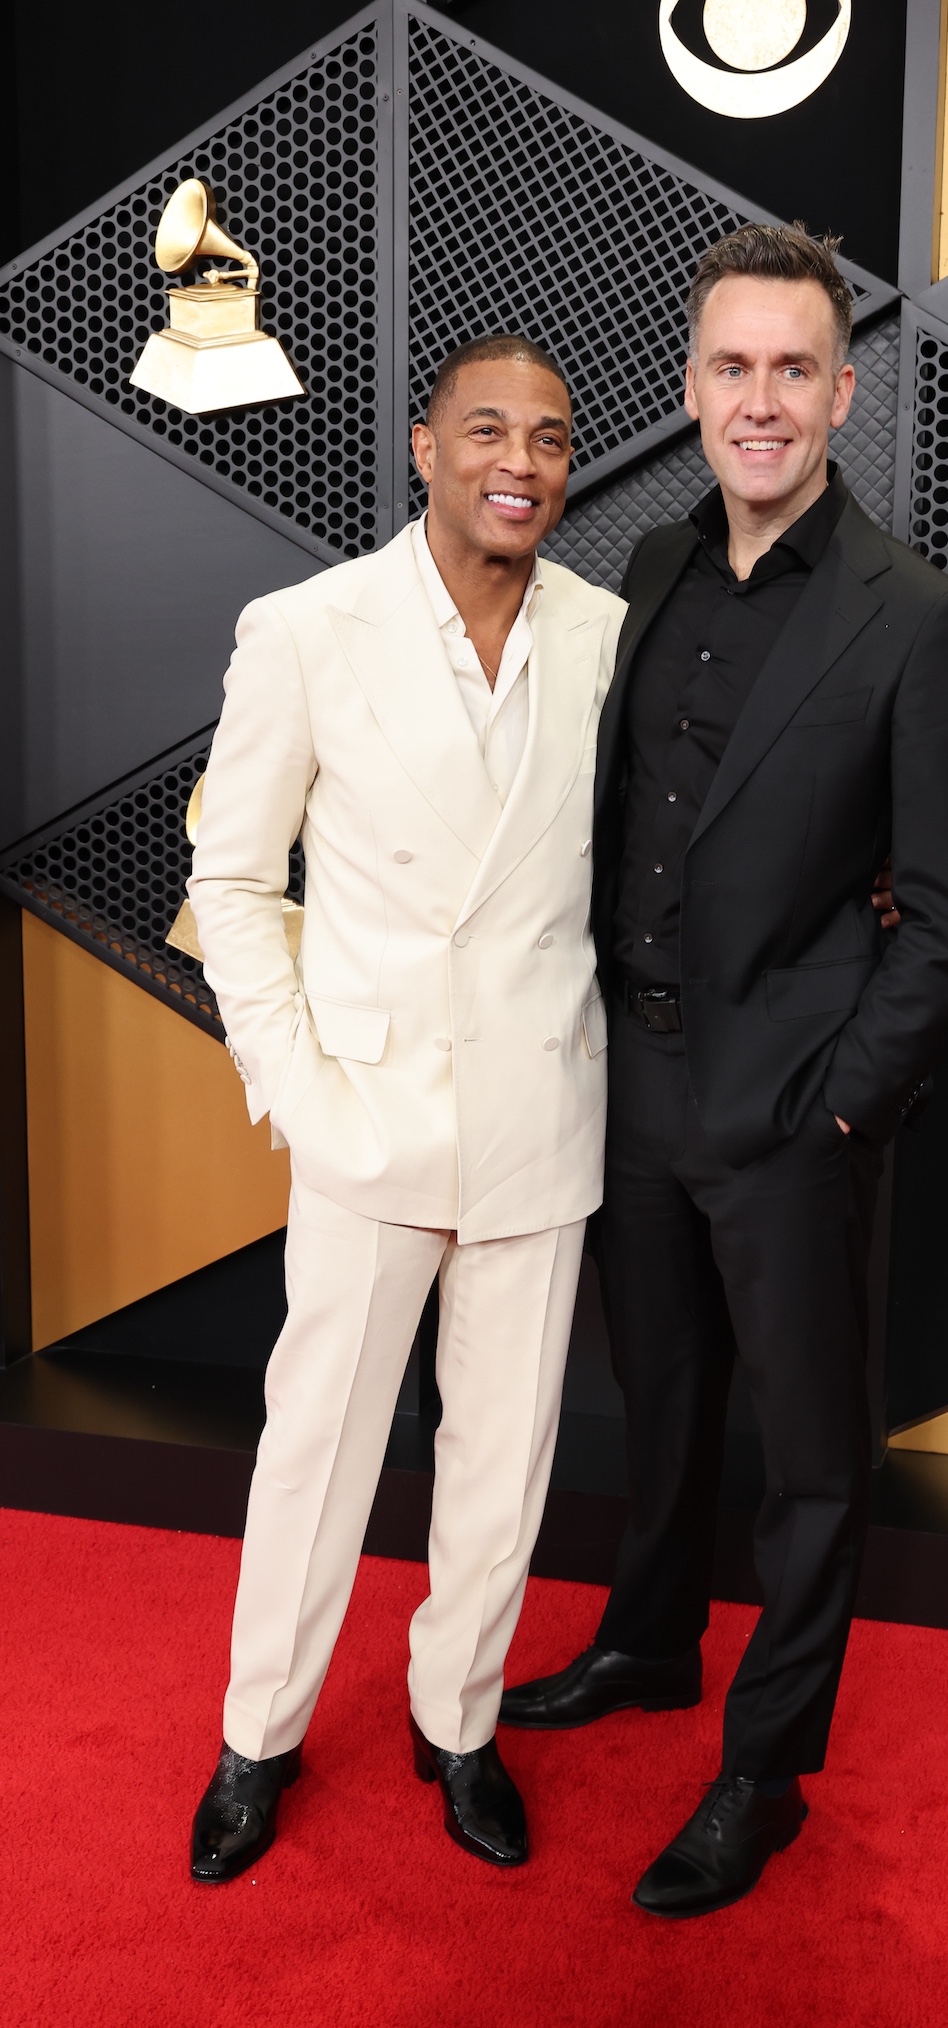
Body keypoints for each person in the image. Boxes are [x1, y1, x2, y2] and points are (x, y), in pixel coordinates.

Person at [500, 224, 948, 1917]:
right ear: (694, 385)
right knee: (660, 1405)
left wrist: (845, 1101)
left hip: (795, 1110)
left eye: (796, 369)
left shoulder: (917, 622)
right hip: (629, 1087)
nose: (762, 401)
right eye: (733, 367)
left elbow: (945, 916)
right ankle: (648, 1647)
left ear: (846, 393)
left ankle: (764, 1770)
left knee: (806, 1461)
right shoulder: (644, 568)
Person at [185, 334, 623, 1882]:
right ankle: (257, 1739)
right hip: (366, 1120)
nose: (523, 459)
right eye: (488, 429)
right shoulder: (308, 629)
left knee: (504, 1461)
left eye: (553, 438)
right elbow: (232, 881)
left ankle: (460, 1725)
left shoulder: (609, 637)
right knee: (315, 1450)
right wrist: (295, 1087)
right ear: (424, 449)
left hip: (542, 1114)